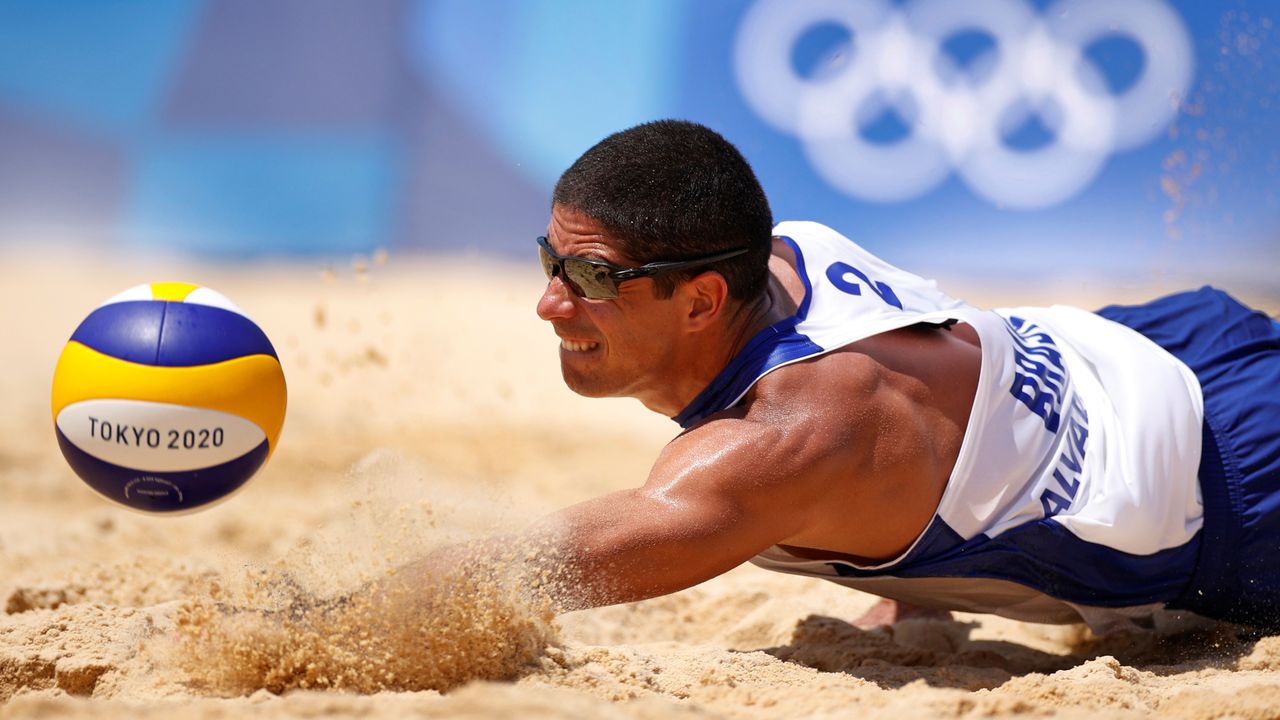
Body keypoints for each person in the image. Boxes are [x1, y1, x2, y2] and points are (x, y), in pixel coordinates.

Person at [424, 119, 1280, 634]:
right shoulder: (789, 252)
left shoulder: (782, 443)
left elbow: (531, 569)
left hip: (1238, 492)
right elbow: (926, 407)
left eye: (591, 277)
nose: (550, 304)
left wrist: (314, 622)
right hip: (1151, 342)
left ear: (702, 300)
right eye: (551, 259)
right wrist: (911, 582)